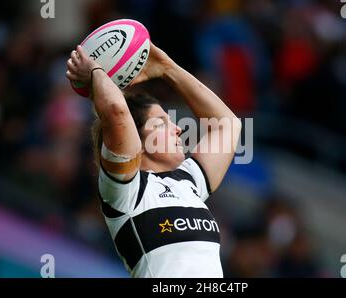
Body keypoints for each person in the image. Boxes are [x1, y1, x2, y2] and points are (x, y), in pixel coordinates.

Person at [66, 42, 242, 277]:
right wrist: (97, 71)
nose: (177, 129)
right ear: (136, 140)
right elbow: (117, 111)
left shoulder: (189, 182)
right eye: (161, 123)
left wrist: (168, 68)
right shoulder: (126, 191)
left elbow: (228, 125)